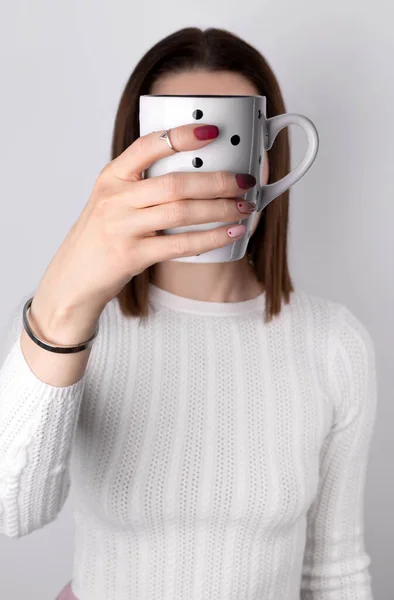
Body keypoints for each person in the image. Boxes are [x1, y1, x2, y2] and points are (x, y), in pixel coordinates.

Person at [0, 26, 377, 600]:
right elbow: (11, 514)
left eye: (230, 140)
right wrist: (65, 299)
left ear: (268, 160)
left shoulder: (334, 344)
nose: (201, 176)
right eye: (175, 145)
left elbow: (335, 572)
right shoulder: (78, 323)